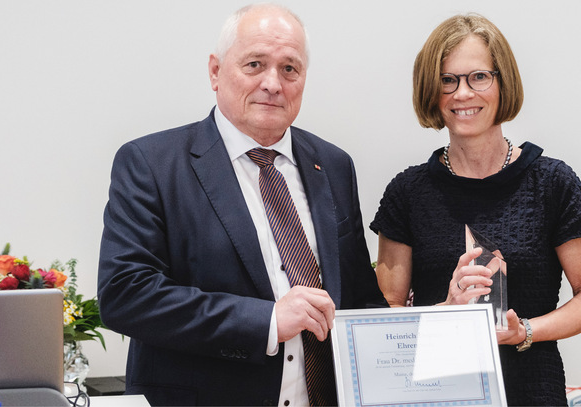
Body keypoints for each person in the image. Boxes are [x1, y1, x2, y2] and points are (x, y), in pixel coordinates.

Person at [97, 4, 386, 406]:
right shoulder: (152, 164)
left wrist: (446, 322)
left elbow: (357, 299)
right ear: (215, 71)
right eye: (255, 64)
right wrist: (265, 322)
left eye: (290, 68)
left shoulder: (334, 165)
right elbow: (125, 294)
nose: (273, 83)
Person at [370, 13, 581, 406]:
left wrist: (525, 331)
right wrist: (443, 310)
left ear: (503, 83)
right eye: (447, 80)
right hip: (436, 392)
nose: (462, 94)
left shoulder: (552, 183)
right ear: (431, 91)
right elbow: (387, 316)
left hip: (532, 388)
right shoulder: (407, 193)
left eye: (478, 77)